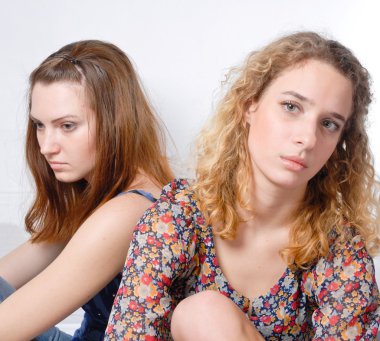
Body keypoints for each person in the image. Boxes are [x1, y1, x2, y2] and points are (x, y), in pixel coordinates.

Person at [105, 31, 380, 340]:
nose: (307, 138)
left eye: (328, 124)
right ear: (250, 105)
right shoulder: (179, 216)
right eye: (291, 107)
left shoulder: (339, 247)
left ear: (340, 143)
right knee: (203, 314)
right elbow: (128, 331)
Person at [0, 39, 173, 340]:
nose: (45, 147)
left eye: (67, 126)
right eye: (40, 125)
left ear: (115, 122)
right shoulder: (104, 194)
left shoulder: (128, 211)